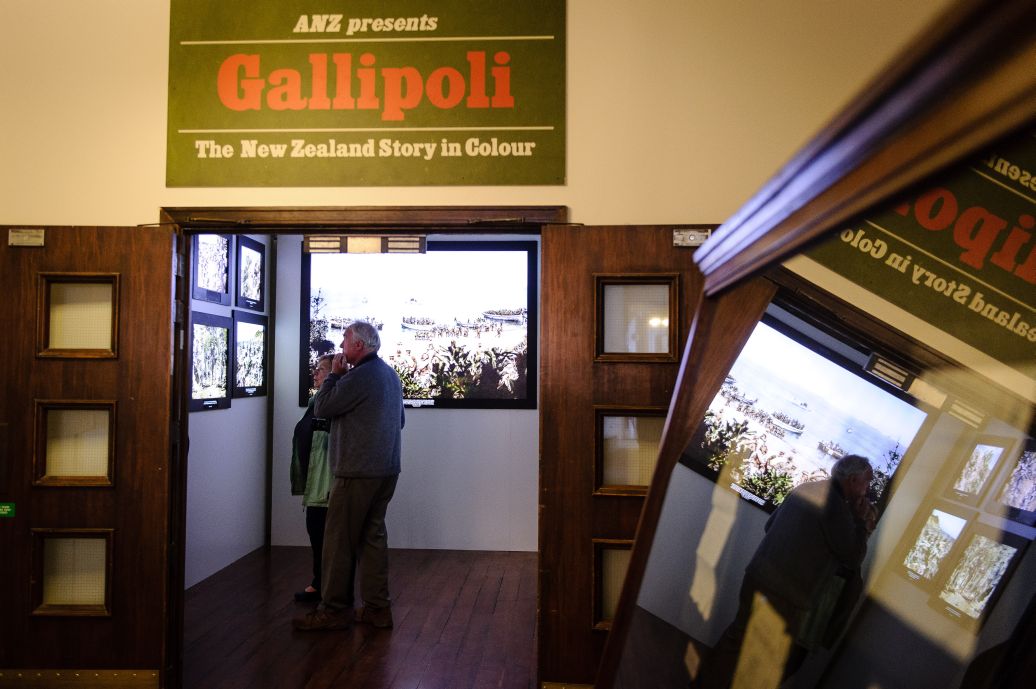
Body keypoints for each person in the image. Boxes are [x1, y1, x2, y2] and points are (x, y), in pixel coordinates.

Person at [695, 454, 877, 689]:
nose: (867, 489)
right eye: (866, 482)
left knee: (736, 638)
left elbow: (769, 525)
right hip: (786, 594)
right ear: (852, 480)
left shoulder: (808, 487)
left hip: (758, 574)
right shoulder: (836, 507)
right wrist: (861, 523)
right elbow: (852, 556)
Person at [293, 321, 405, 631]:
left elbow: (323, 407)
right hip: (386, 470)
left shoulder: (358, 377)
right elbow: (401, 421)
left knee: (338, 543)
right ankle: (377, 609)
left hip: (356, 472)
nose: (341, 347)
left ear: (359, 345)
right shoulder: (390, 375)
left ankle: (333, 611)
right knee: (372, 538)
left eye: (345, 340)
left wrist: (333, 376)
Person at [289, 354, 334, 603]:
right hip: (315, 482)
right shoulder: (315, 401)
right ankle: (320, 584)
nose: (315, 374)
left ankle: (327, 590)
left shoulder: (332, 404)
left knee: (324, 537)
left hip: (325, 484)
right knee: (317, 535)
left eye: (320, 369)